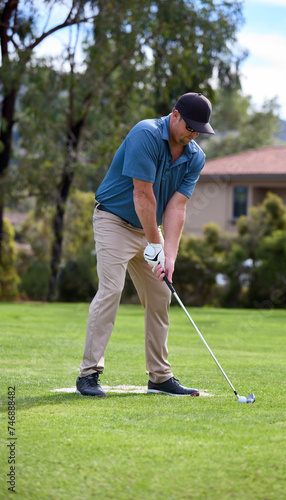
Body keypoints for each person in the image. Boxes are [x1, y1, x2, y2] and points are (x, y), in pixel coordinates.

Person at [76, 92, 215, 397]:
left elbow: (177, 207)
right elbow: (143, 195)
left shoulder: (195, 157)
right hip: (114, 220)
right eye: (189, 127)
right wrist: (155, 244)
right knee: (111, 289)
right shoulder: (146, 134)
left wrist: (169, 255)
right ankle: (89, 373)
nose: (193, 135)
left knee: (160, 294)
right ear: (175, 115)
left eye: (198, 131)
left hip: (149, 228)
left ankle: (160, 377)